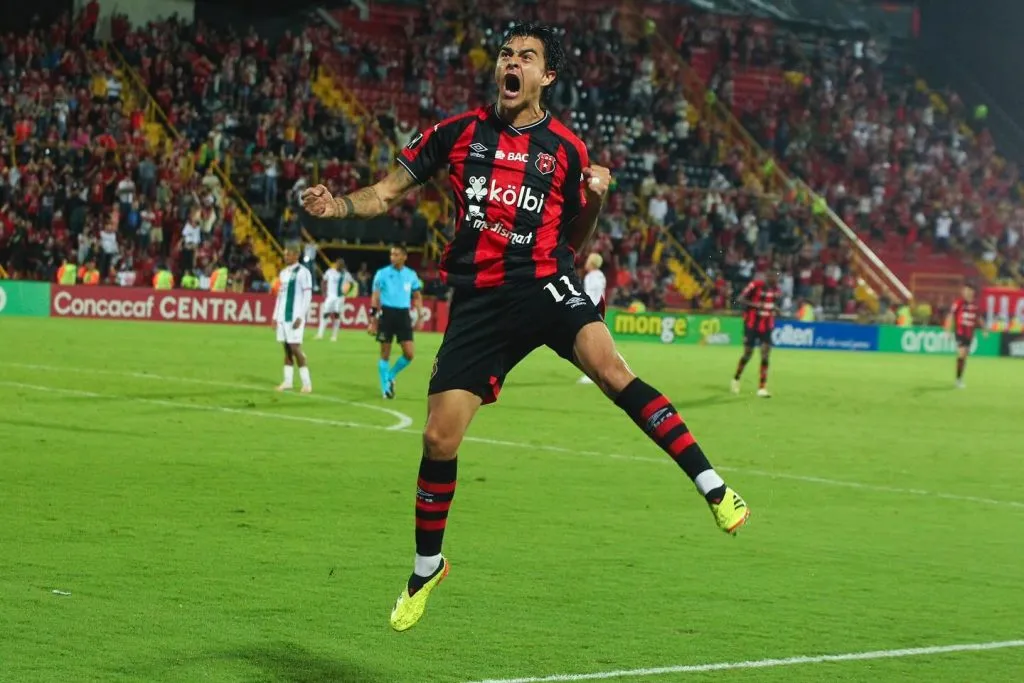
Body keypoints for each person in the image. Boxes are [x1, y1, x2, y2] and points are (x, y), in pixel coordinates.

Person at [301, 22, 749, 633]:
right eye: (506, 54)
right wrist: (339, 206)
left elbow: (575, 241)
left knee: (614, 372)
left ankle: (714, 485)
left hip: (544, 284)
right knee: (438, 439)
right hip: (480, 302)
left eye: (526, 57)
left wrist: (593, 202)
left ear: (547, 76)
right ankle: (427, 567)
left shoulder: (566, 148)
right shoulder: (456, 133)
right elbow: (385, 192)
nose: (511, 63)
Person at [369, 246, 424, 399]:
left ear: (404, 257)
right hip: (387, 314)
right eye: (391, 254)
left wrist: (420, 316)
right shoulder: (382, 273)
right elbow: (375, 297)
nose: (392, 257)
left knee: (409, 353)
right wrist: (373, 320)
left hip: (403, 315)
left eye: (396, 254)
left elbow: (417, 296)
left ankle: (391, 375)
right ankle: (385, 389)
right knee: (385, 353)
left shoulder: (411, 275)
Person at [732, 271, 781, 398]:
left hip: (767, 325)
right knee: (748, 354)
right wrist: (755, 304)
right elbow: (740, 299)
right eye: (773, 276)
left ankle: (762, 388)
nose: (775, 279)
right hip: (751, 324)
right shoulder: (755, 285)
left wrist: (775, 309)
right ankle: (736, 378)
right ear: (767, 276)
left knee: (765, 354)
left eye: (777, 277)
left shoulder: (777, 291)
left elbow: (773, 305)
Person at [273, 246, 314, 393]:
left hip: (295, 316)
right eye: (285, 255)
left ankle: (307, 383)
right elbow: (280, 296)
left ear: (296, 255)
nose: (286, 257)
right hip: (283, 317)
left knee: (295, 348)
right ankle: (288, 381)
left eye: (288, 255)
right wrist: (275, 316)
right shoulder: (283, 273)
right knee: (286, 349)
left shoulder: (303, 273)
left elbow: (308, 296)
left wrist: (301, 316)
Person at [578, 252, 606, 385]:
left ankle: (592, 374)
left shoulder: (591, 277)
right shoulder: (600, 276)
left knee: (589, 344)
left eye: (588, 260)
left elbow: (589, 295)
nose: (586, 262)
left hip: (590, 312)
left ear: (592, 262)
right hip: (598, 311)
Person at [946, 283, 981, 389]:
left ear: (973, 292)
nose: (966, 292)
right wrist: (948, 330)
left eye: (968, 290)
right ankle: (958, 380)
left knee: (964, 357)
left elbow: (978, 318)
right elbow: (951, 316)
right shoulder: (958, 303)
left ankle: (959, 378)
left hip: (969, 334)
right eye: (965, 290)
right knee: (961, 354)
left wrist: (984, 329)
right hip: (960, 333)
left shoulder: (975, 305)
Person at [317, 258, 356, 341]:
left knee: (336, 315)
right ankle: (320, 334)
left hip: (339, 297)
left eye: (341, 265)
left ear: (343, 266)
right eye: (338, 264)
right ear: (336, 264)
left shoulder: (346, 274)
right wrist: (323, 292)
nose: (339, 266)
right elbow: (323, 281)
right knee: (325, 314)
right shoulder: (330, 272)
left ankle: (334, 336)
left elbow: (352, 284)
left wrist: (347, 292)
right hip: (330, 296)